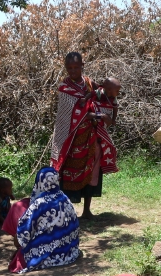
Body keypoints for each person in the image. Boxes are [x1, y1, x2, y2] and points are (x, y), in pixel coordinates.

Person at [50, 52, 120, 219]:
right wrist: (97, 115)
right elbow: (69, 114)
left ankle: (87, 210)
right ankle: (66, 212)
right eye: (69, 68)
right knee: (68, 171)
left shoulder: (89, 83)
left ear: (82, 65)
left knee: (92, 170)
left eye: (76, 67)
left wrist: (109, 106)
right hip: (71, 139)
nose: (73, 71)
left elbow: (103, 94)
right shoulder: (65, 88)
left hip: (91, 136)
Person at [5, 167, 80, 273]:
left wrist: (19, 245)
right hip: (70, 252)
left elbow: (24, 234)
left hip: (48, 258)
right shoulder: (64, 198)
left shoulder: (39, 203)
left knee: (19, 253)